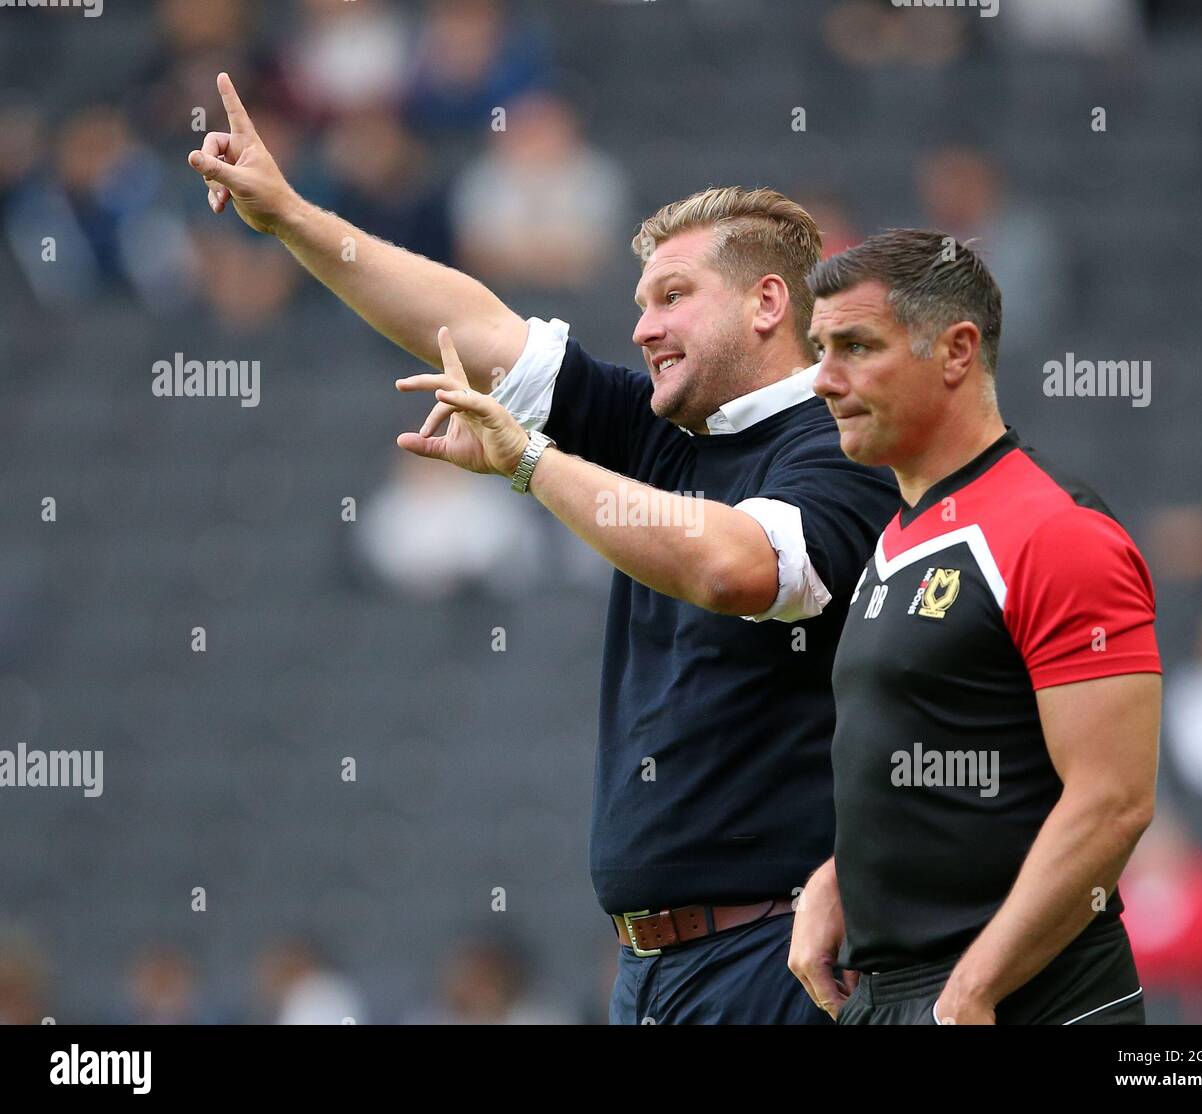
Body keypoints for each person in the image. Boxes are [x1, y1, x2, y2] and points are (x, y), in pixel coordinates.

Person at [186, 74, 897, 1024]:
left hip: (781, 955)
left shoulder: (843, 446)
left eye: (674, 296)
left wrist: (530, 462)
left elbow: (733, 566)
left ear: (770, 302)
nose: (644, 326)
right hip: (653, 969)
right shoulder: (663, 432)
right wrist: (292, 219)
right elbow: (475, 331)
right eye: (641, 300)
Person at [789, 229, 1162, 1025]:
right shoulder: (899, 536)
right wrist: (840, 877)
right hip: (898, 995)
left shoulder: (1056, 530)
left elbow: (1114, 800)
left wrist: (975, 986)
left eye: (856, 345)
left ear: (957, 350)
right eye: (820, 348)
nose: (823, 379)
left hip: (1030, 1001)